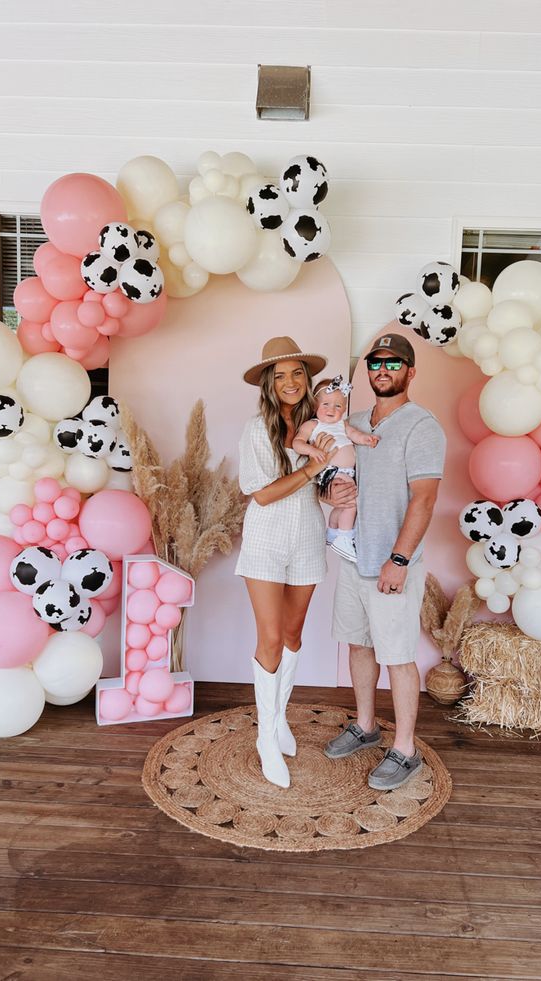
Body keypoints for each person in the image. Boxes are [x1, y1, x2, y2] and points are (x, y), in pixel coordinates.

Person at [324, 333, 446, 791]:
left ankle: (406, 750)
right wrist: (329, 493)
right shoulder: (351, 422)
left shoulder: (422, 426)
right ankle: (366, 726)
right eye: (376, 362)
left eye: (394, 363)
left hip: (394, 564)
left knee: (397, 656)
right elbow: (333, 479)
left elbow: (425, 499)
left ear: (410, 373)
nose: (383, 369)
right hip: (356, 559)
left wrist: (399, 559)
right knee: (359, 646)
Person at [236, 336, 336, 789]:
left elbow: (319, 487)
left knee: (294, 635)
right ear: (268, 384)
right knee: (271, 638)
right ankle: (265, 738)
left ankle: (278, 721)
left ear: (307, 379)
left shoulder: (321, 427)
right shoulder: (257, 430)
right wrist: (309, 470)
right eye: (280, 376)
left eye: (298, 373)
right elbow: (262, 493)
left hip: (308, 538)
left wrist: (336, 491)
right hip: (266, 541)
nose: (291, 382)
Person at [292, 374, 379, 563]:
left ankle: (332, 531)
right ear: (315, 406)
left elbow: (354, 434)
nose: (332, 409)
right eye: (326, 404)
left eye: (338, 406)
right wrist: (312, 450)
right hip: (331, 471)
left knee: (343, 503)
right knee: (351, 502)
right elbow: (297, 442)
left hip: (346, 472)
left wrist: (366, 439)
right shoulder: (313, 425)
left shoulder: (342, 424)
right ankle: (345, 537)